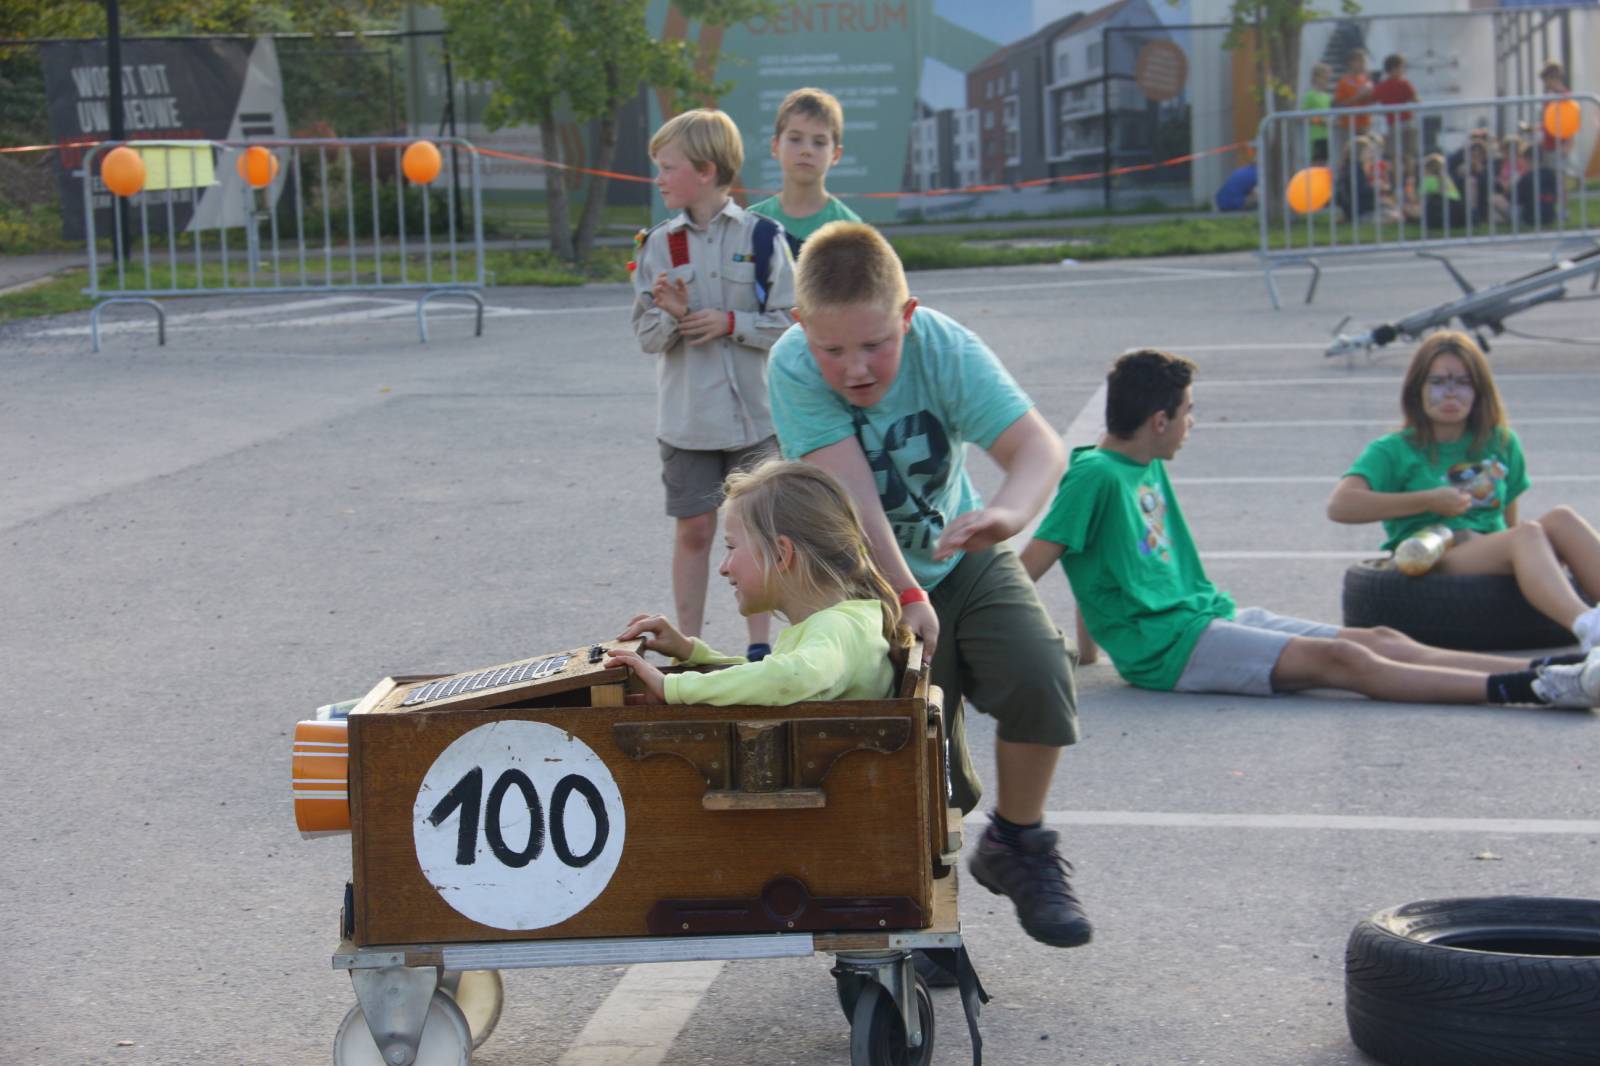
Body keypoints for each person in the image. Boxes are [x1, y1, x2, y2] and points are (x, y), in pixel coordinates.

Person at [767, 221, 1090, 950]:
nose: (855, 368)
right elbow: (854, 504)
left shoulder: (944, 347)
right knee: (907, 752)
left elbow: (1039, 448)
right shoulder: (791, 366)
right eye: (833, 350)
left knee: (1040, 672)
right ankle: (911, 908)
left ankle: (1017, 843)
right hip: (858, 578)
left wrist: (1008, 513)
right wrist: (907, 596)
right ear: (800, 325)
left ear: (907, 316)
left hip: (958, 552)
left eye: (875, 344)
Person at [1021, 349, 1600, 709]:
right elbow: (1034, 564)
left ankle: (1554, 670)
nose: (1191, 423)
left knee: (1378, 639)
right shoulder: (1096, 474)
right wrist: (1012, 650)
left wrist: (1091, 652)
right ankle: (1536, 691)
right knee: (1346, 664)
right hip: (1169, 648)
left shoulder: (1140, 463)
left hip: (1206, 616)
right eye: (1188, 411)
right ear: (1158, 419)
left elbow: (1098, 559)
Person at [631, 108, 797, 662]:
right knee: (695, 532)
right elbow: (645, 336)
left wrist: (730, 323)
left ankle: (759, 647)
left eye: (668, 167)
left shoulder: (764, 238)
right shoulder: (657, 245)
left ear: (705, 170)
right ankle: (687, 649)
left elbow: (792, 323)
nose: (659, 178)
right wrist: (674, 314)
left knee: (760, 533)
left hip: (756, 416)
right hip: (688, 421)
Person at [1329, 332, 1600, 653]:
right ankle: (1587, 626)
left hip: (1490, 548)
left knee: (1561, 519)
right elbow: (1341, 506)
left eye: (1462, 382)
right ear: (1418, 389)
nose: (1450, 393)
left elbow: (1508, 519)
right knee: (1527, 535)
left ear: (1479, 392)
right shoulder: (1393, 449)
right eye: (1438, 382)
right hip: (1431, 556)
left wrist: (1529, 568)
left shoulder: (1500, 442)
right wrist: (1429, 500)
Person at [606, 460, 910, 705]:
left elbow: (787, 679)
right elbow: (769, 680)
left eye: (731, 547)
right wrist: (692, 653)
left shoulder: (834, 628)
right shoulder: (844, 622)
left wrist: (671, 687)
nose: (723, 568)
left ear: (780, 554)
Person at [748, 87, 863, 259]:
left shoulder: (850, 230)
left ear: (836, 154)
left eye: (819, 142)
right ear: (775, 146)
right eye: (795, 139)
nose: (806, 150)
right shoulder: (750, 222)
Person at [1371, 53, 1419, 157]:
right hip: (1407, 123)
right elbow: (1417, 101)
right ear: (1394, 68)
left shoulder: (1381, 87)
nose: (1403, 70)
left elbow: (1372, 100)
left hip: (1392, 124)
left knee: (1394, 155)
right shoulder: (1405, 84)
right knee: (1409, 154)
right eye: (1402, 67)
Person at [1300, 63, 1334, 164]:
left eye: (1327, 78)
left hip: (1326, 135)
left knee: (1324, 162)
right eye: (1323, 78)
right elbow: (1303, 116)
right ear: (1316, 78)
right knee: (1315, 163)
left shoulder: (1327, 97)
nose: (1326, 81)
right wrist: (1319, 121)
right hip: (1314, 136)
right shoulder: (1310, 95)